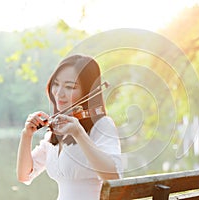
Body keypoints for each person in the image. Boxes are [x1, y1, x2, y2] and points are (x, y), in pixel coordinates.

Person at [16, 54, 122, 200]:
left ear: (88, 91)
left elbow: (114, 178)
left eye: (69, 87)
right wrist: (26, 135)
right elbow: (24, 175)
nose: (59, 93)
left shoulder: (102, 125)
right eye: (56, 84)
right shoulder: (55, 132)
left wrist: (79, 133)